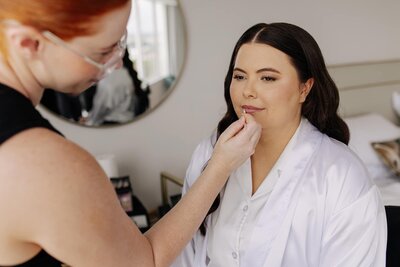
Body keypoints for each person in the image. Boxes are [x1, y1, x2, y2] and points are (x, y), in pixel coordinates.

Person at [0, 1, 262, 266]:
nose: (116, 65)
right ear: (29, 44)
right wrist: (220, 167)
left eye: (121, 42)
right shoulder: (44, 164)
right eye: (103, 52)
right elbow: (143, 262)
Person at [172, 22, 387, 267]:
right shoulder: (209, 153)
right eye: (240, 76)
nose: (248, 91)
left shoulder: (342, 178)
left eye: (267, 78)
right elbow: (185, 254)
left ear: (304, 88)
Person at [86, 49, 150, 126]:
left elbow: (101, 108)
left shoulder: (110, 79)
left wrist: (89, 121)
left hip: (112, 126)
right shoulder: (126, 72)